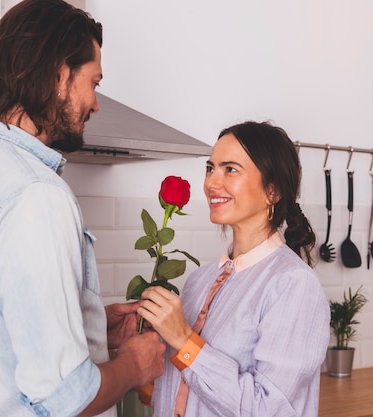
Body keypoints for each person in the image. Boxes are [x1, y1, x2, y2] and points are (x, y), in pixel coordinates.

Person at [0, 1, 164, 416]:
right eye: (94, 83)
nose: (95, 104)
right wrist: (135, 365)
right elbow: (66, 398)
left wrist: (92, 327)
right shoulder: (35, 194)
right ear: (60, 76)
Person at [138, 121, 330, 416]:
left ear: (273, 190)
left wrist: (182, 340)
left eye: (230, 169)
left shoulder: (293, 285)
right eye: (210, 168)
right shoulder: (199, 281)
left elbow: (266, 408)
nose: (212, 182)